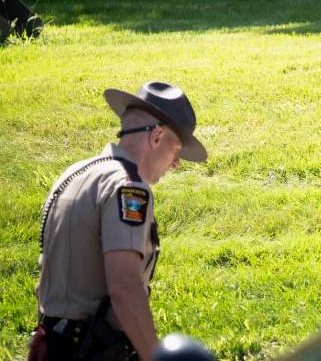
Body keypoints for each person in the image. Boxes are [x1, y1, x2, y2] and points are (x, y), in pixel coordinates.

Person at [30, 82, 207, 361]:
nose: (176, 164)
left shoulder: (75, 173)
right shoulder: (129, 188)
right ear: (157, 137)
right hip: (91, 351)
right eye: (177, 151)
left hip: (55, 343)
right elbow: (124, 287)